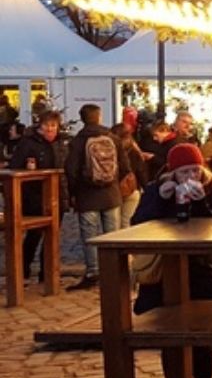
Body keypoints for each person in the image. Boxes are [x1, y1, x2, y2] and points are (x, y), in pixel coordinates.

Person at [133, 143, 212, 378]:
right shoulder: (157, 188)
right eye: (184, 171)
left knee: (200, 335)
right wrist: (160, 200)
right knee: (170, 336)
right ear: (172, 172)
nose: (191, 176)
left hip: (201, 267)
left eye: (195, 170)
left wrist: (203, 202)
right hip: (166, 269)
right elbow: (137, 223)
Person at [64, 104, 128, 291]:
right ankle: (114, 272)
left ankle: (93, 272)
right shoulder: (113, 138)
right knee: (113, 235)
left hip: (87, 195)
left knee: (90, 236)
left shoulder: (78, 141)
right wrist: (113, 181)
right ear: (99, 117)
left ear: (82, 118)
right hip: (111, 194)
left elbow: (71, 170)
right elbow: (124, 166)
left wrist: (75, 192)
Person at [6, 112, 63, 283]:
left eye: (53, 125)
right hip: (34, 196)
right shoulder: (29, 143)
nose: (50, 129)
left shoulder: (61, 143)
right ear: (40, 126)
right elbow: (15, 166)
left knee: (53, 237)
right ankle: (23, 271)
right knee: (34, 235)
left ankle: (47, 274)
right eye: (47, 125)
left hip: (57, 195)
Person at [111, 123, 147, 228]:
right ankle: (125, 243)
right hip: (132, 189)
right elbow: (141, 171)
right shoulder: (135, 150)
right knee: (126, 220)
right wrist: (145, 187)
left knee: (114, 223)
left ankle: (115, 243)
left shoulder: (112, 150)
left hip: (115, 190)